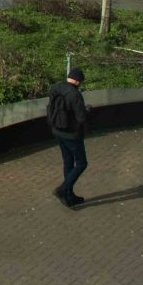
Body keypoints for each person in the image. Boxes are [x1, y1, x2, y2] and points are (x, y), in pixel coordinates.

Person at [47, 66, 90, 208]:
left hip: (58, 131)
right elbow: (81, 117)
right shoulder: (75, 95)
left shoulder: (56, 88)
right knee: (82, 163)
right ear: (78, 82)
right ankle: (63, 189)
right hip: (72, 135)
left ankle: (69, 196)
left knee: (68, 163)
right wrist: (87, 110)